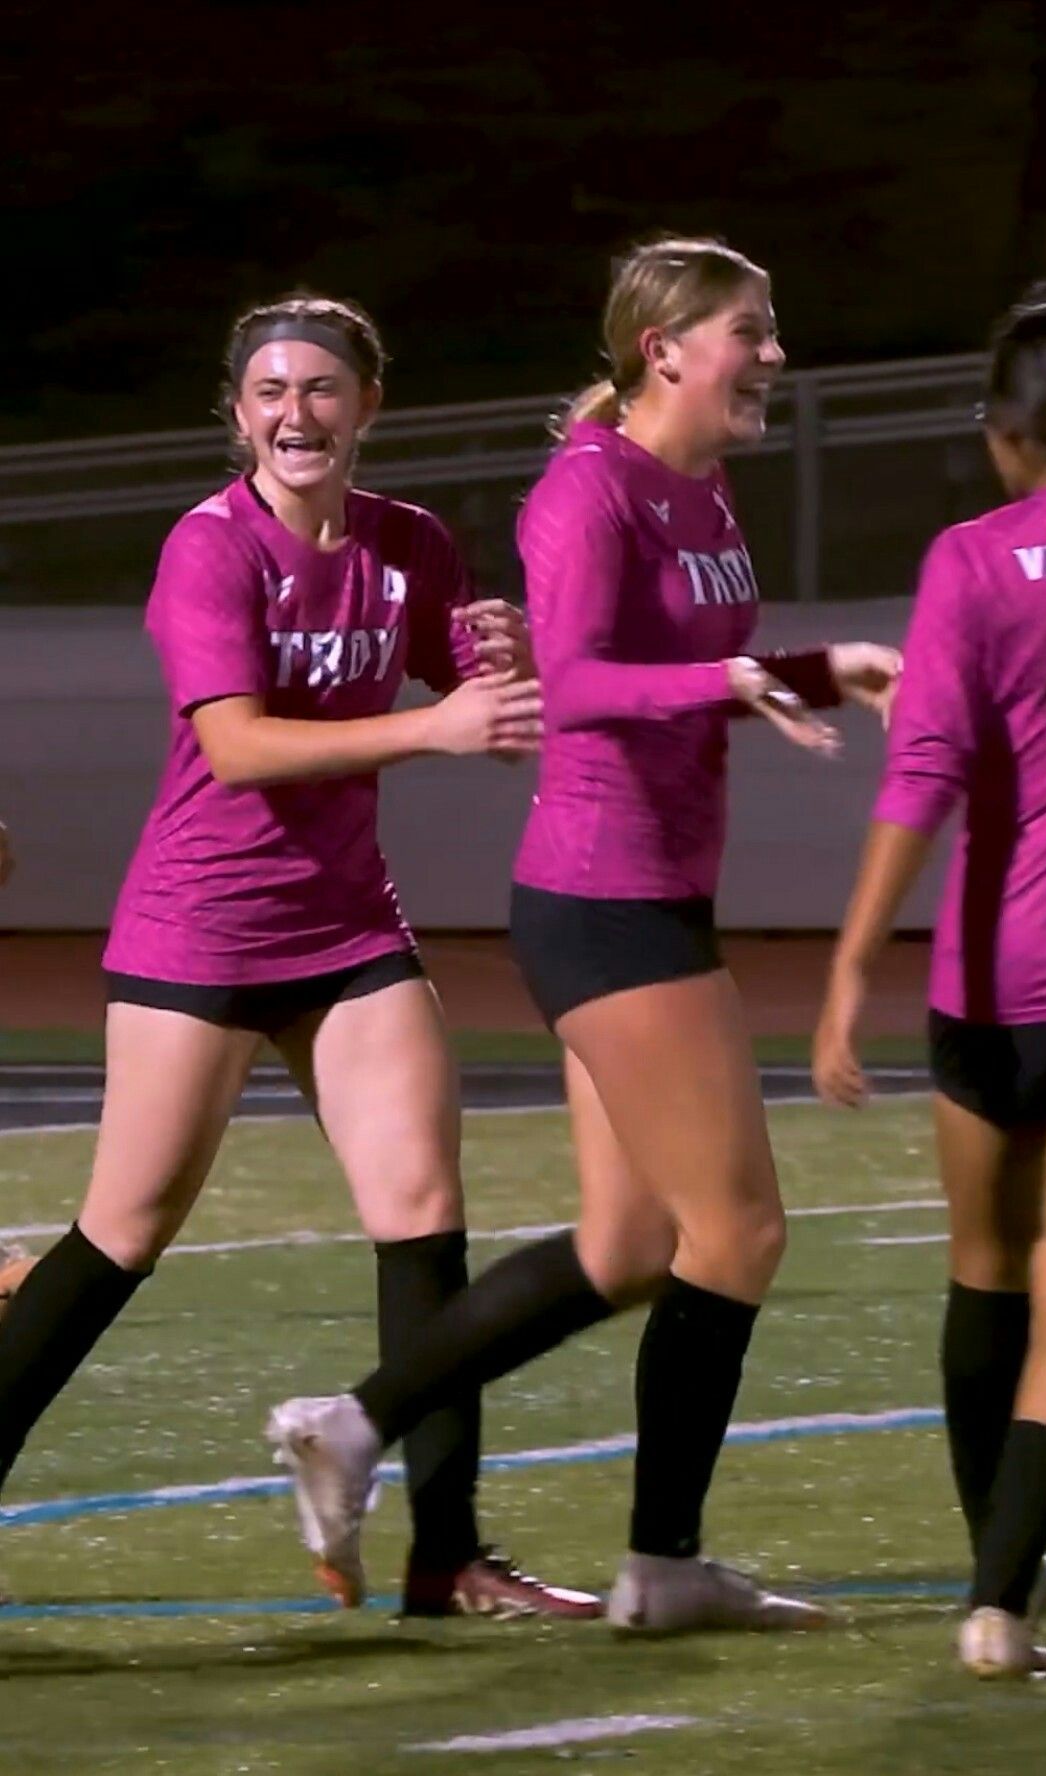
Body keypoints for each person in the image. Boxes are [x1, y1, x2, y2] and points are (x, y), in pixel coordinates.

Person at [269, 236, 901, 1632]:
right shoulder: (587, 487)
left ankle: (354, 1425)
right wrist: (747, 676)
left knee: (627, 1247)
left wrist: (813, 669)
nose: (774, 356)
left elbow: (689, 666)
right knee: (739, 1230)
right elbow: (582, 681)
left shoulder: (701, 487)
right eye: (751, 330)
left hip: (651, 892)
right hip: (605, 898)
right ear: (665, 348)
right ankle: (664, 1563)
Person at [0, 290, 601, 1621]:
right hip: (200, 929)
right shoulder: (209, 547)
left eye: (321, 388)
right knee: (121, 1232)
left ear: (366, 405)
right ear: (237, 413)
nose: (295, 412)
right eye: (269, 391)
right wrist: (433, 731)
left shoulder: (409, 542)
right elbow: (237, 746)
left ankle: (449, 1558)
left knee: (423, 1215)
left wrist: (505, 654)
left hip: (346, 929)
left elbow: (469, 681)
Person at [813, 280, 1046, 1678]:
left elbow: (922, 774)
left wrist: (851, 968)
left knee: (985, 1278)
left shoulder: (967, 561)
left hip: (984, 979)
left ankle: (1001, 1561)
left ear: (1003, 433)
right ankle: (999, 1606)